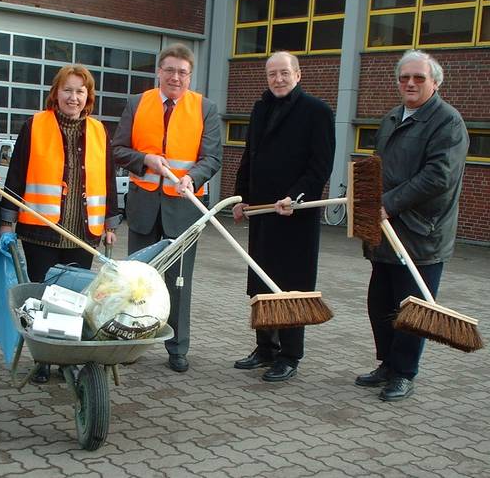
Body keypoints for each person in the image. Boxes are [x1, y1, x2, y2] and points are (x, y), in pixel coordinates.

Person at [356, 50, 468, 401]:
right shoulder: (391, 118)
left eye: (419, 78)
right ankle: (387, 363)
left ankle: (404, 373)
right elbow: (379, 167)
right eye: (404, 77)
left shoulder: (447, 122)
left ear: (435, 82)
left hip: (422, 231)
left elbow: (439, 176)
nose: (410, 83)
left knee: (413, 308)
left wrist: (388, 203)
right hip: (385, 230)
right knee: (381, 302)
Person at [0, 65, 119, 383]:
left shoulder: (98, 131)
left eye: (81, 91)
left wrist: (111, 222)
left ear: (88, 97)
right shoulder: (35, 125)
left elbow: (108, 179)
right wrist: (6, 222)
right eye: (68, 89)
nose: (74, 97)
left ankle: (67, 356)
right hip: (41, 231)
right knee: (40, 296)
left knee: (73, 298)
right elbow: (16, 174)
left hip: (84, 233)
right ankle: (43, 359)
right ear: (56, 93)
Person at [112, 43, 222, 372]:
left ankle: (177, 348)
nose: (176, 77)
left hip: (184, 208)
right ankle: (132, 343)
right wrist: (144, 160)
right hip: (144, 204)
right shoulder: (137, 103)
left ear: (190, 76)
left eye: (182, 72)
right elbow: (118, 149)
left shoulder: (205, 108)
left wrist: (193, 177)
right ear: (159, 72)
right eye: (170, 70)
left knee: (179, 281)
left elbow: (212, 157)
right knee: (139, 280)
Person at [232, 51, 335, 382]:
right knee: (261, 282)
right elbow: (250, 155)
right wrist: (240, 198)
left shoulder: (317, 111)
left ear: (298, 75)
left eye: (284, 73)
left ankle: (289, 355)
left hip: (295, 216)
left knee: (291, 285)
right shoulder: (260, 107)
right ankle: (264, 348)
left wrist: (297, 197)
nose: (278, 79)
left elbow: (320, 166)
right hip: (262, 213)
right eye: (272, 74)